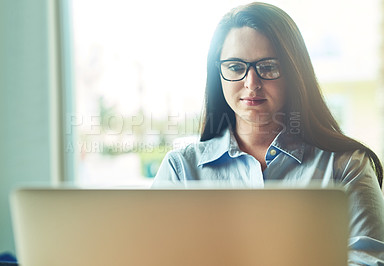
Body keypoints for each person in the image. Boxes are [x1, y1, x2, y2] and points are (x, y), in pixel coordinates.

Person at [152, 2, 384, 265]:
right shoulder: (181, 169)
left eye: (269, 66)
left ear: (295, 73)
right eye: (235, 67)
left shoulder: (346, 165)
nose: (251, 83)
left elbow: (369, 261)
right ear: (218, 72)